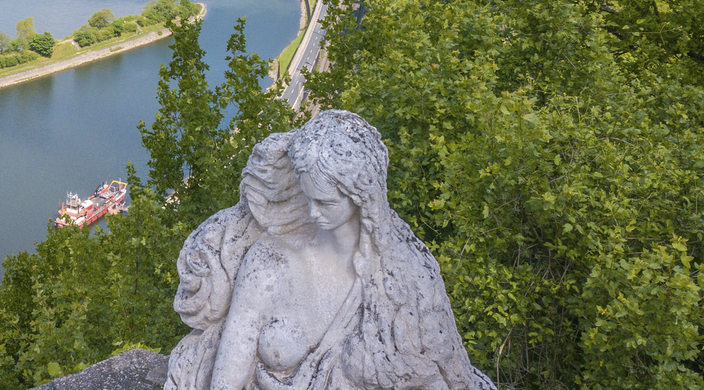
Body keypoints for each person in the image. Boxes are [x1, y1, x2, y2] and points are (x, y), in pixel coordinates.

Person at [166, 110, 495, 390]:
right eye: (307, 198)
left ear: (360, 197)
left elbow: (439, 375)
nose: (312, 213)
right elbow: (229, 375)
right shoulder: (269, 261)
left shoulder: (404, 275)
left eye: (324, 202)